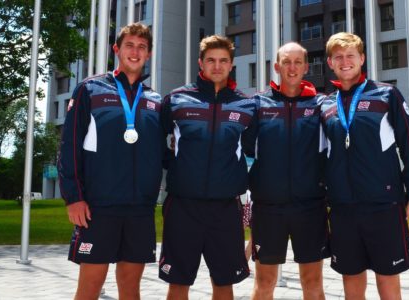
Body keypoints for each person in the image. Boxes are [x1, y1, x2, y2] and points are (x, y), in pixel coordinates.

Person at [59, 23, 164, 300]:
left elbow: (162, 154)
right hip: (98, 208)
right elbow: (69, 146)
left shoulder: (155, 100)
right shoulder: (89, 89)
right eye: (129, 45)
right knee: (90, 288)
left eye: (142, 47)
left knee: (131, 290)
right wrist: (73, 197)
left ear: (149, 54)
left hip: (140, 210)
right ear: (117, 49)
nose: (135, 51)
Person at [320, 32, 409, 299]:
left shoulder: (386, 94)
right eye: (338, 57)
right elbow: (321, 156)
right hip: (343, 208)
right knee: (351, 281)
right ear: (330, 63)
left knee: (387, 280)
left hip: (383, 205)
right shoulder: (325, 105)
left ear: (362, 59)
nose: (345, 62)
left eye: (350, 56)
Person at [159, 34, 256, 300]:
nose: (217, 66)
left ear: (231, 64)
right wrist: (178, 168)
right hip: (182, 206)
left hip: (225, 209)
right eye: (211, 60)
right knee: (178, 283)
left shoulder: (246, 105)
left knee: (224, 283)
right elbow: (157, 144)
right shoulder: (177, 99)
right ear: (200, 63)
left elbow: (252, 151)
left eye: (223, 61)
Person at [243, 42, 329, 300]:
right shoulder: (258, 104)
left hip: (311, 207)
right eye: (286, 62)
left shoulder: (321, 104)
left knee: (312, 281)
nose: (292, 68)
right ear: (277, 67)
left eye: (298, 62)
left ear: (306, 67)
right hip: (269, 209)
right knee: (265, 281)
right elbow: (240, 147)